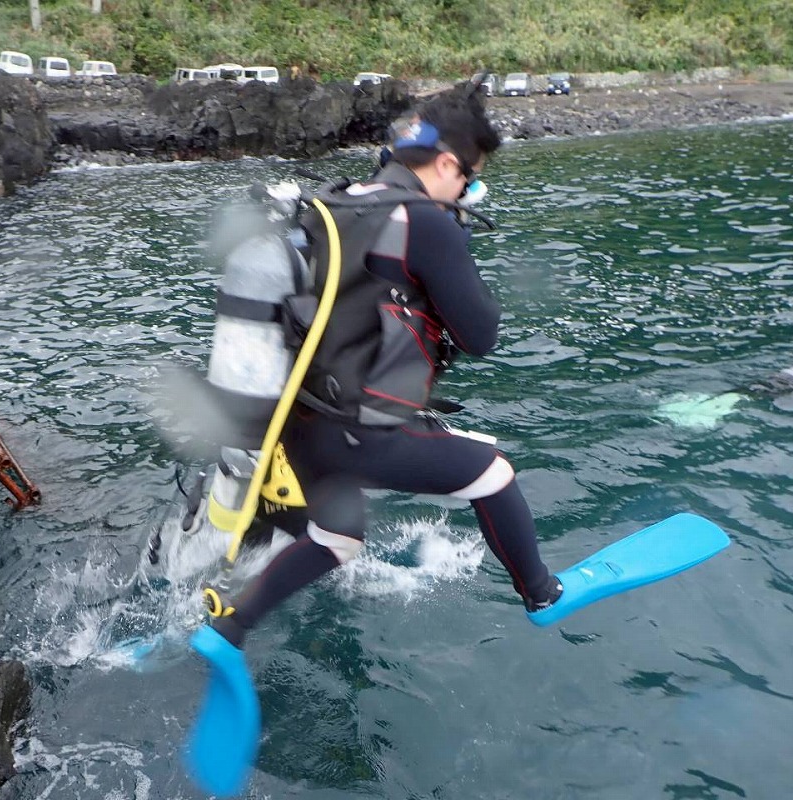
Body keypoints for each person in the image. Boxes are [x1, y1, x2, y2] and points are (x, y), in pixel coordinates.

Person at [211, 87, 563, 649]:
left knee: (337, 538)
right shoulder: (424, 222)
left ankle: (230, 627)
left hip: (301, 423)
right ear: (446, 164)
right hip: (356, 431)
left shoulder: (338, 200)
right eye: (469, 179)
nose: (467, 192)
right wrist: (454, 244)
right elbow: (480, 336)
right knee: (493, 475)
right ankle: (541, 593)